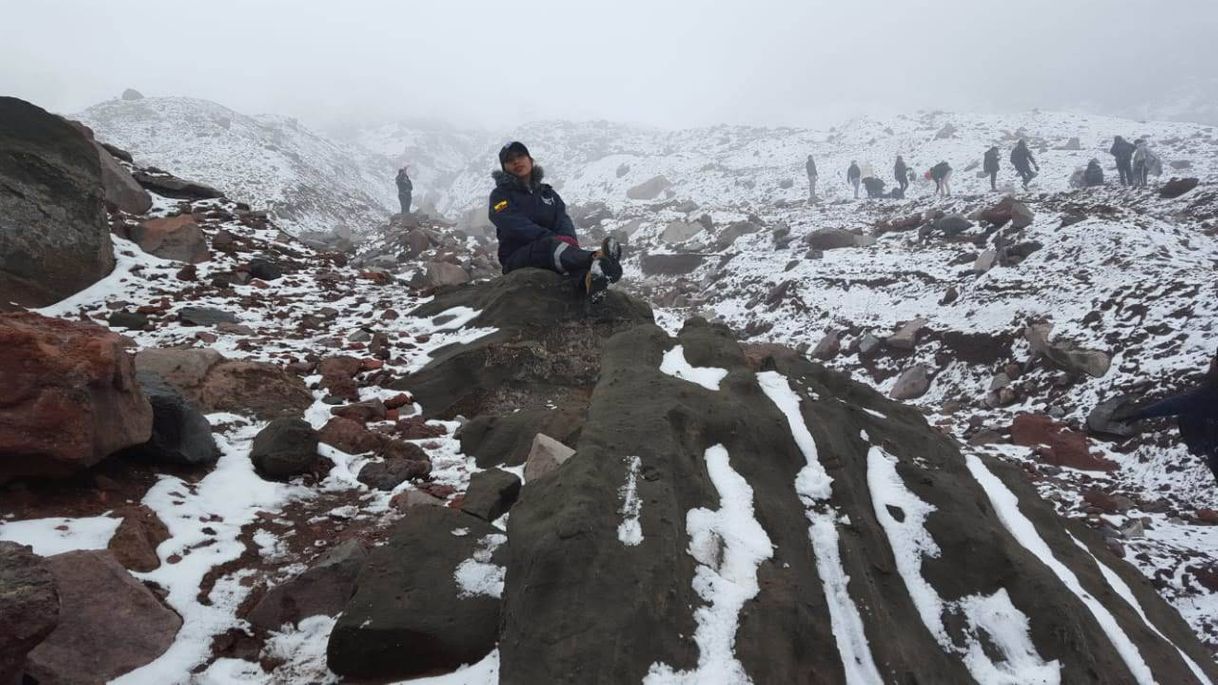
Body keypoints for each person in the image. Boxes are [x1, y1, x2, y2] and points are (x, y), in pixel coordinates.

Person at [488, 141, 622, 298]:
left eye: (520, 155)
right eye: (510, 160)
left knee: (573, 267)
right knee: (551, 246)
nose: (516, 161)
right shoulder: (500, 195)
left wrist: (569, 241)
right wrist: (550, 238)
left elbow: (563, 219)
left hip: (553, 253)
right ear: (505, 168)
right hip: (517, 257)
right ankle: (596, 258)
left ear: (530, 160)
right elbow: (510, 221)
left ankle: (591, 283)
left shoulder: (548, 194)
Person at [1112, 351, 1218, 484]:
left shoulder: (1209, 392)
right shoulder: (1208, 392)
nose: (1212, 363)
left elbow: (1181, 403)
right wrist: (1142, 413)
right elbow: (1179, 403)